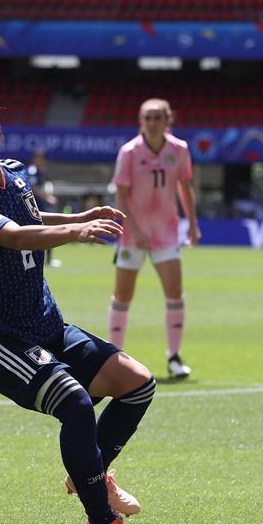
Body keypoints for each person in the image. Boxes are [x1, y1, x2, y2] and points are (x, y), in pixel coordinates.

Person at [0, 76, 158, 524]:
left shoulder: (16, 174)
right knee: (75, 402)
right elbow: (14, 235)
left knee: (137, 382)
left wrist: (75, 219)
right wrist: (77, 233)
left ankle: (91, 471)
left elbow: (30, 218)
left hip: (45, 325)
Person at [108, 98, 200, 379]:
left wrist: (193, 224)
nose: (152, 122)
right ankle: (112, 358)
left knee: (174, 293)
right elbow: (121, 195)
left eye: (157, 117)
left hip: (167, 232)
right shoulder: (129, 152)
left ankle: (173, 358)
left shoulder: (179, 149)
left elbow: (184, 187)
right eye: (147, 117)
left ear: (167, 120)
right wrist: (134, 230)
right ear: (141, 121)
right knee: (123, 295)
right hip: (132, 235)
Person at [27, 148, 61, 267]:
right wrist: (48, 198)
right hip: (32, 206)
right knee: (35, 233)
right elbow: (34, 187)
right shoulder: (32, 171)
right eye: (39, 158)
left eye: (43, 158)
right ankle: (34, 260)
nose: (41, 160)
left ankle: (48, 260)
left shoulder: (43, 171)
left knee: (48, 231)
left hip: (42, 206)